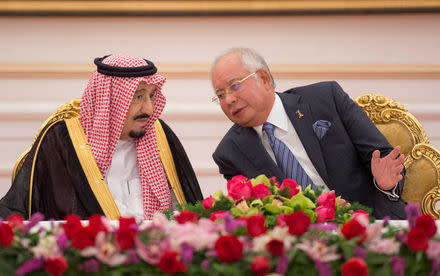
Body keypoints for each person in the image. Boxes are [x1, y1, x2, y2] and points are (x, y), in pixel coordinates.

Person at [0, 54, 203, 220]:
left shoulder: (159, 135)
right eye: (138, 96)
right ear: (111, 100)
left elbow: (188, 209)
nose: (149, 109)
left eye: (151, 95)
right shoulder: (63, 141)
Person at [211, 47, 406, 219]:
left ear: (264, 78)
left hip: (370, 221)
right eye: (220, 95)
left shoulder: (326, 98)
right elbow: (256, 215)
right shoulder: (230, 153)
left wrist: (384, 184)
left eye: (235, 86)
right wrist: (316, 213)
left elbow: (385, 159)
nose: (228, 100)